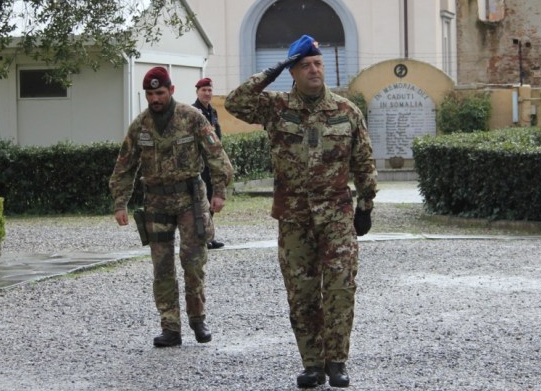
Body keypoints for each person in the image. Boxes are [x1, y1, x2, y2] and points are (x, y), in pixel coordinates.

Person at [225, 34, 378, 389]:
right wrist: (272, 70)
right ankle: (312, 364)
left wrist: (366, 205)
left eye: (318, 64)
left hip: (337, 214)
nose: (314, 70)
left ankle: (336, 361)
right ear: (292, 72)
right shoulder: (275, 107)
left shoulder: (345, 111)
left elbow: (364, 162)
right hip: (294, 217)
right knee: (302, 292)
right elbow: (235, 102)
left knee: (340, 288)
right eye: (305, 65)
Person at [110, 66, 233, 348]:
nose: (155, 99)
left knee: (193, 263)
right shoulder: (140, 125)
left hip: (190, 201)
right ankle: (170, 326)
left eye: (160, 93)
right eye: (150, 94)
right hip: (156, 204)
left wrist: (219, 193)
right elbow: (124, 166)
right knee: (162, 267)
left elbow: (216, 156)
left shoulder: (191, 118)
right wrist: (120, 202)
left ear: (172, 90)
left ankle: (198, 318)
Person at [192, 77, 225, 249]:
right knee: (201, 201)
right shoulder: (193, 112)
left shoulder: (213, 112)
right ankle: (202, 238)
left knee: (213, 198)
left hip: (212, 164)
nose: (207, 93)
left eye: (209, 90)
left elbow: (217, 137)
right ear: (197, 92)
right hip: (200, 164)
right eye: (203, 90)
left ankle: (209, 236)